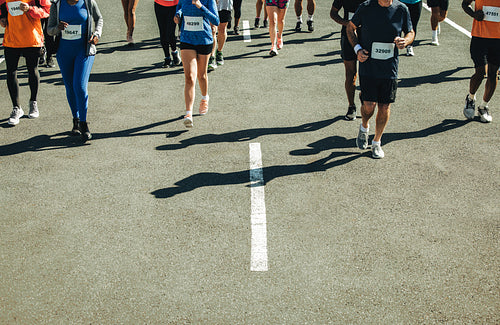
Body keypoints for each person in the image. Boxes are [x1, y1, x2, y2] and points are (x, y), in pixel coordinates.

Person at [347, 0, 414, 158]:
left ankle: (377, 142)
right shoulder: (366, 7)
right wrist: (357, 49)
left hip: (389, 68)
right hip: (368, 65)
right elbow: (350, 28)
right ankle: (364, 127)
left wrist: (406, 40)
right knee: (369, 106)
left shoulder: (401, 9)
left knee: (384, 106)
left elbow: (410, 32)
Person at [47, 0, 103, 141]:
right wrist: (58, 28)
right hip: (64, 52)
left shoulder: (88, 2)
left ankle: (84, 124)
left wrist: (97, 34)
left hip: (84, 50)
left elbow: (99, 19)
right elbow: (49, 29)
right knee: (70, 87)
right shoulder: (57, 4)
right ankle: (76, 120)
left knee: (80, 86)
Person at [0, 0, 51, 126]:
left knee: (32, 70)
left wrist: (30, 9)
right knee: (11, 73)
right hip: (12, 39)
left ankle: (33, 102)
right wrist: (2, 18)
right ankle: (16, 108)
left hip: (31, 39)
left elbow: (47, 11)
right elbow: (1, 7)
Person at [174, 0, 219, 128]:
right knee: (189, 77)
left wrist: (201, 7)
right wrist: (177, 16)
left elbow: (216, 20)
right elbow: (179, 8)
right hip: (187, 39)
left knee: (201, 75)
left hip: (204, 40)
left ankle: (205, 98)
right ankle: (188, 114)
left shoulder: (208, 1)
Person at [462, 0, 499, 123]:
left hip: (498, 40)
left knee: (493, 74)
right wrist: (473, 14)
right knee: (480, 72)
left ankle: (484, 106)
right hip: (480, 37)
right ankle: (471, 98)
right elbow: (465, 4)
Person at [330, 0, 366, 121]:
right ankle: (351, 106)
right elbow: (333, 13)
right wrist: (348, 24)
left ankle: (364, 98)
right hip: (348, 36)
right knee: (351, 74)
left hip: (367, 36)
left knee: (367, 73)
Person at [155, 0, 182, 68]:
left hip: (174, 6)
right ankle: (167, 57)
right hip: (159, 5)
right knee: (163, 32)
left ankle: (174, 51)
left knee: (170, 32)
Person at [208, 0, 232, 71]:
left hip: (224, 4)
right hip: (210, 3)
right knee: (212, 30)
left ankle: (219, 51)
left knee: (222, 29)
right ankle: (211, 56)